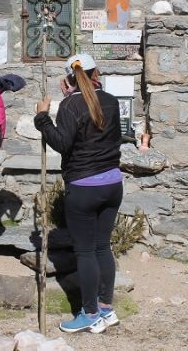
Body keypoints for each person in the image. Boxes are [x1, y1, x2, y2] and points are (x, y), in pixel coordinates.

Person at [34, 54, 123, 334]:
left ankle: (90, 313)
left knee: (85, 251)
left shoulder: (71, 104)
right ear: (96, 72)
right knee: (102, 247)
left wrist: (42, 118)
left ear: (68, 78)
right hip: (112, 183)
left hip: (84, 186)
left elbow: (62, 143)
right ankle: (106, 308)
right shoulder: (110, 100)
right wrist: (71, 97)